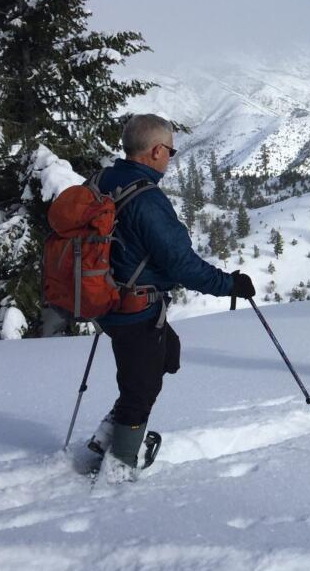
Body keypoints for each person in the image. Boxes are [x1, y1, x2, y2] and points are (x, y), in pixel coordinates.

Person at [88, 113, 255, 477]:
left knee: (165, 355)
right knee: (140, 389)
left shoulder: (102, 180)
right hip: (134, 309)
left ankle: (106, 437)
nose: (170, 158)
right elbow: (182, 265)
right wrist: (230, 285)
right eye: (171, 151)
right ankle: (119, 466)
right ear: (157, 150)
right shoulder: (148, 200)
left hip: (104, 299)